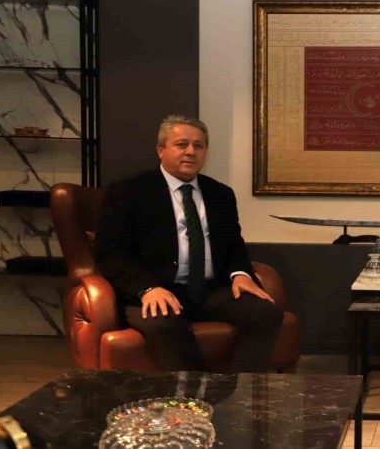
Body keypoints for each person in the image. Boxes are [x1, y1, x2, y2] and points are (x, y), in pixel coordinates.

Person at [95, 115, 283, 372]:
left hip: (211, 290)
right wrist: (147, 288)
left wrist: (240, 273)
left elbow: (234, 244)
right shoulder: (128, 191)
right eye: (181, 144)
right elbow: (110, 254)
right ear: (161, 150)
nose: (191, 152)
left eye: (198, 146)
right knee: (164, 325)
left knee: (266, 314)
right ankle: (193, 393)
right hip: (156, 289)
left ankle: (237, 390)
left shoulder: (220, 194)